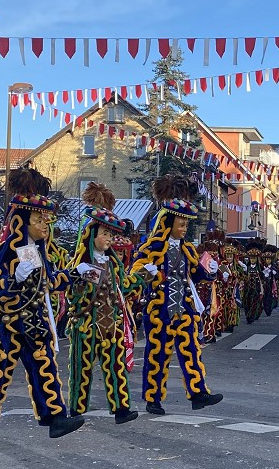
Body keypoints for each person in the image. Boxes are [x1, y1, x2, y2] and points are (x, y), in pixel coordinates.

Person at [0, 168, 85, 440]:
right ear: (23, 220)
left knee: (44, 369)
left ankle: (55, 418)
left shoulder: (39, 251)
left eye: (46, 220)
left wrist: (76, 273)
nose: (45, 226)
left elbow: (48, 282)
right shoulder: (5, 250)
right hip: (7, 325)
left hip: (35, 323)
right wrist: (14, 277)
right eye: (39, 219)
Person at [129, 175, 223, 416]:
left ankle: (199, 393)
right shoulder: (151, 247)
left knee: (191, 351)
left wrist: (209, 272)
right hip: (159, 310)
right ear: (168, 223)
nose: (184, 229)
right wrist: (147, 273)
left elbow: (196, 273)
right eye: (181, 225)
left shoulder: (187, 249)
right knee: (157, 356)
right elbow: (136, 271)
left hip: (184, 308)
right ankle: (153, 399)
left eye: (185, 225)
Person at [66, 183, 140, 424]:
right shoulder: (79, 263)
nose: (108, 239)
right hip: (86, 325)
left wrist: (144, 277)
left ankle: (121, 409)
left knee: (116, 368)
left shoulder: (113, 263)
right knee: (81, 369)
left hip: (112, 325)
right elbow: (71, 296)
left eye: (111, 234)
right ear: (92, 235)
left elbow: (125, 286)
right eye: (104, 234)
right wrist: (79, 279)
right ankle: (76, 409)